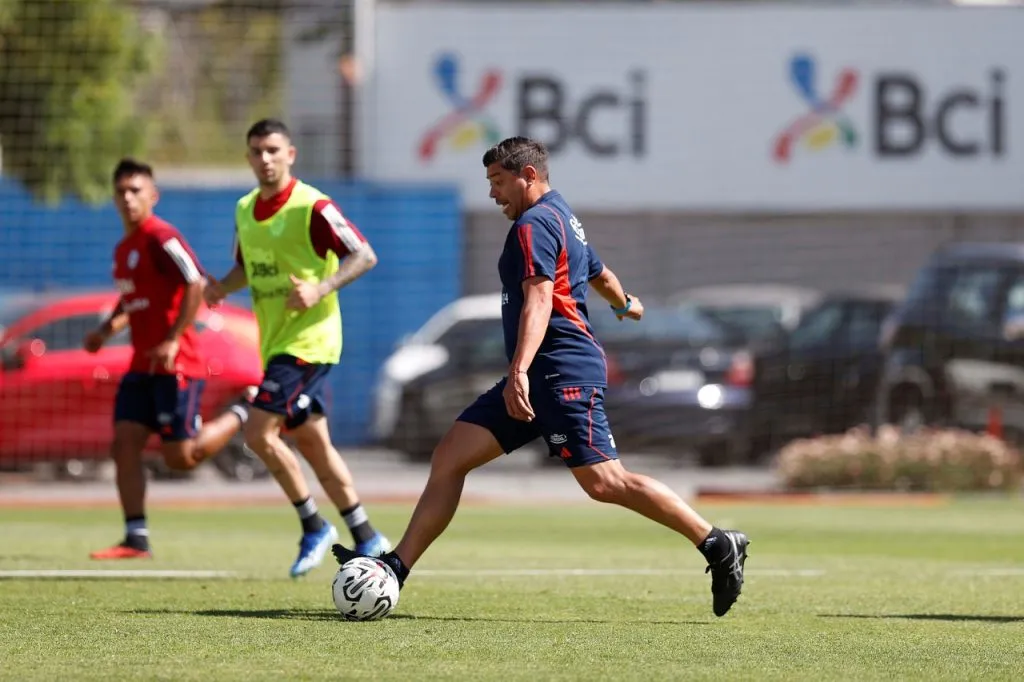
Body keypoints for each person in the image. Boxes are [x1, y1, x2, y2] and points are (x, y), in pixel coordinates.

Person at [334, 136, 750, 617]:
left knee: (605, 483)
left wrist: (518, 372)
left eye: (498, 182)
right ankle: (395, 567)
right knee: (450, 456)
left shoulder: (535, 224)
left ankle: (717, 543)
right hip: (538, 375)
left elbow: (540, 297)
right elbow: (600, 272)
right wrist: (625, 303)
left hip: (558, 372)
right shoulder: (563, 217)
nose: (493, 194)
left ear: (528, 175)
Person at [204, 118, 390, 578]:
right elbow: (247, 269)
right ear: (248, 157)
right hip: (277, 344)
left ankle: (313, 524)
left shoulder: (313, 206)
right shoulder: (246, 209)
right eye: (255, 151)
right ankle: (367, 535)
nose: (264, 159)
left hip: (310, 343)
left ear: (290, 153)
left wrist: (319, 289)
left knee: (258, 433)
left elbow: (364, 254)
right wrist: (217, 289)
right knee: (312, 442)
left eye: (272, 149)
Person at [87, 158, 252, 560]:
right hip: (141, 365)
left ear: (153, 195)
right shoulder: (124, 248)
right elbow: (133, 299)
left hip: (176, 365)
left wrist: (174, 338)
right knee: (124, 444)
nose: (128, 198)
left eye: (135, 190)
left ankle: (244, 409)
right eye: (121, 192)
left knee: (181, 459)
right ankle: (135, 537)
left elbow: (195, 280)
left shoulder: (162, 237)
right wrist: (106, 330)